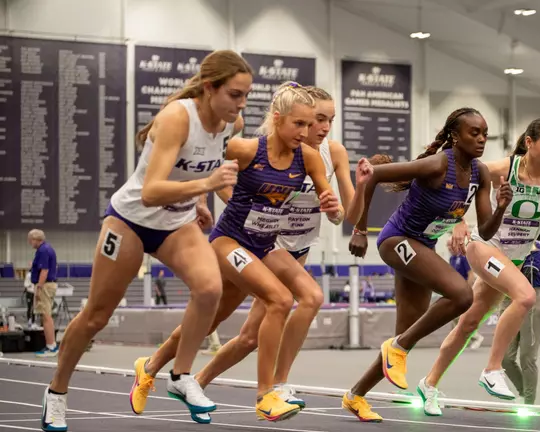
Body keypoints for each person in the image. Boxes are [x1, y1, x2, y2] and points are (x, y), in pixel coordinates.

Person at [41, 50, 253, 432]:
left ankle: (181, 375)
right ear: (210, 88)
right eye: (235, 95)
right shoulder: (176, 117)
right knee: (96, 316)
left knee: (209, 290)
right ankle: (57, 392)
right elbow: (152, 192)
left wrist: (200, 200)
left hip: (178, 222)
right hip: (131, 221)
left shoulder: (230, 124)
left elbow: (199, 163)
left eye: (246, 96)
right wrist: (206, 186)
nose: (241, 105)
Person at [128, 83, 366, 422]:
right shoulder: (245, 148)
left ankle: (152, 366)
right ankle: (266, 393)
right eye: (307, 122)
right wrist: (200, 199)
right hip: (231, 241)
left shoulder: (313, 156)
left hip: (268, 244)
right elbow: (201, 165)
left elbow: (338, 212)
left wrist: (334, 208)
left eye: (322, 121)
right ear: (281, 118)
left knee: (306, 297)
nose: (315, 130)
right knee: (279, 300)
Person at [342, 107, 511, 422]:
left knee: (405, 334)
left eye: (485, 133)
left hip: (423, 245)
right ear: (455, 136)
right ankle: (400, 347)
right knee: (462, 295)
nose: (481, 139)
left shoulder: (481, 174)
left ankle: (355, 395)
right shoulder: (437, 164)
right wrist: (360, 230)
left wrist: (501, 207)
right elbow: (373, 175)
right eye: (474, 132)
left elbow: (486, 230)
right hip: (397, 241)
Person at [417, 118, 540, 416]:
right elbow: (458, 181)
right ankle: (492, 369)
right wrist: (458, 222)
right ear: (529, 143)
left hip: (514, 257)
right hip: (485, 246)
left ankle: (429, 383)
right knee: (526, 296)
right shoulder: (501, 169)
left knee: (469, 322)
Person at [500, 240, 540, 405]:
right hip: (507, 299)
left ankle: (529, 402)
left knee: (527, 357)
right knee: (504, 358)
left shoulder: (534, 246)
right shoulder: (499, 245)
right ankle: (523, 393)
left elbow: (530, 272)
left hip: (530, 298)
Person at [27, 229, 58, 357]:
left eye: (30, 240)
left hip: (44, 285)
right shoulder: (47, 249)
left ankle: (51, 347)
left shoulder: (43, 250)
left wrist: (39, 288)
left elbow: (44, 271)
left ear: (35, 239)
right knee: (45, 315)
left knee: (46, 316)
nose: (29, 242)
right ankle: (51, 345)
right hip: (47, 284)